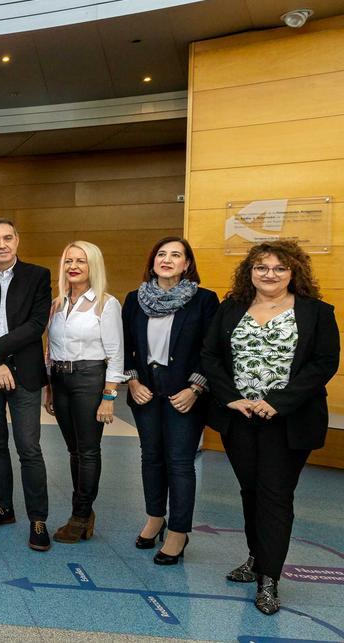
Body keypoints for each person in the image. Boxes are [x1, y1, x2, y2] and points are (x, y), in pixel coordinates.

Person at [201, 240, 339, 615]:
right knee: (250, 491)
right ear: (250, 272)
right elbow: (210, 355)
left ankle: (270, 580)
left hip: (289, 421)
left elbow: (323, 364)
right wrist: (231, 396)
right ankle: (256, 559)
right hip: (239, 417)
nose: (270, 274)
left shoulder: (316, 312)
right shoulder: (231, 309)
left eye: (279, 268)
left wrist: (277, 402)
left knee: (275, 495)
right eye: (262, 267)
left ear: (294, 272)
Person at [122, 237, 219, 564]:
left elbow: (213, 350)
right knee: (151, 456)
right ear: (152, 262)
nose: (167, 259)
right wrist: (132, 381)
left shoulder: (204, 301)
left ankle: (179, 531)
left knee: (179, 461)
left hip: (186, 393)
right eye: (161, 254)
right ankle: (154, 517)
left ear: (187, 264)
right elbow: (123, 347)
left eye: (176, 255)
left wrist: (196, 388)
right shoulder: (135, 299)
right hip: (146, 389)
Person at [0, 218, 52, 550]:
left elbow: (36, 325)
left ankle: (38, 519)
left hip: (27, 374)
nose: (1, 244)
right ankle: (3, 507)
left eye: (7, 238)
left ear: (17, 240)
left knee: (29, 448)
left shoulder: (38, 276)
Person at [44, 240, 126, 544]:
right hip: (61, 381)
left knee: (89, 450)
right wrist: (50, 388)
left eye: (81, 261)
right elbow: (51, 349)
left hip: (90, 379)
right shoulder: (57, 303)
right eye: (68, 261)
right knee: (74, 450)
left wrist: (109, 396)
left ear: (93, 266)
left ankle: (80, 515)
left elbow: (116, 354)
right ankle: (84, 511)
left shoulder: (106, 303)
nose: (74, 266)